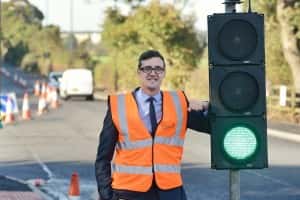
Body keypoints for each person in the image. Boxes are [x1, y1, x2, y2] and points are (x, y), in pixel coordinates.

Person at [95, 50, 210, 200]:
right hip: (129, 192)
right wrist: (107, 196)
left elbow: (210, 125)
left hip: (170, 192)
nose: (153, 73)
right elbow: (103, 158)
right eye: (147, 68)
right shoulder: (119, 106)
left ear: (163, 73)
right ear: (139, 72)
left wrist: (209, 105)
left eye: (158, 69)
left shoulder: (179, 104)